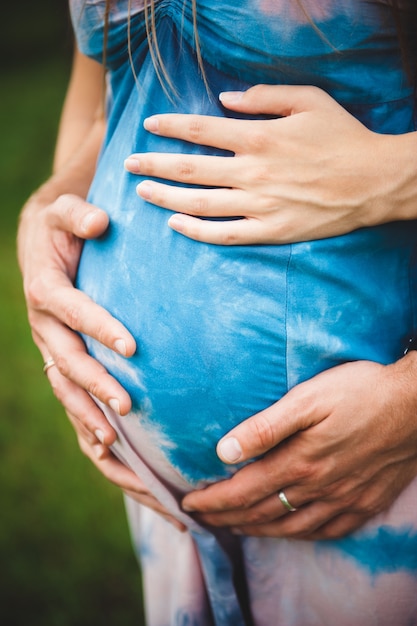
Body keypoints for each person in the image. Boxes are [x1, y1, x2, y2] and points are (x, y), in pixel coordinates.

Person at [17, 0, 417, 624]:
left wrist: (393, 175)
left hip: (378, 476)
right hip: (175, 520)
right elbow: (106, 101)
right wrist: (43, 214)